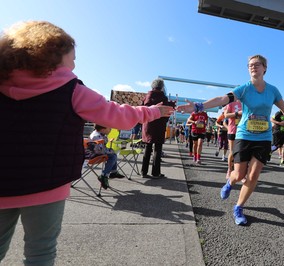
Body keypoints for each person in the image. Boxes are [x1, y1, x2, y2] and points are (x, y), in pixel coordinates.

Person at [0, 21, 174, 265]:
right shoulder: (71, 89)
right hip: (48, 183)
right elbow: (120, 116)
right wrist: (154, 112)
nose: (73, 64)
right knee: (40, 252)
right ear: (53, 56)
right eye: (72, 58)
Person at [177, 54, 284, 225]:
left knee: (253, 175)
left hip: (264, 137)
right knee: (239, 174)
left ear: (265, 68)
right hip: (244, 135)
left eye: (257, 64)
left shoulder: (272, 90)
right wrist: (198, 106)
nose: (253, 67)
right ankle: (230, 182)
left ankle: (238, 207)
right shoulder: (243, 89)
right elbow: (222, 99)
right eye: (250, 65)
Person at [141, 78, 175, 178]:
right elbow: (166, 112)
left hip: (148, 125)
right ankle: (156, 173)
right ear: (162, 87)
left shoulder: (147, 97)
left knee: (147, 148)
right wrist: (171, 105)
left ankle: (144, 172)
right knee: (157, 149)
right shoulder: (163, 98)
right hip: (159, 125)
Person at [224, 100, 242, 178]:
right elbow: (226, 115)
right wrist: (237, 113)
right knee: (232, 151)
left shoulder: (246, 103)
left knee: (241, 152)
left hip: (243, 130)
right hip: (232, 130)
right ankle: (229, 170)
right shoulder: (231, 103)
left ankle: (240, 172)